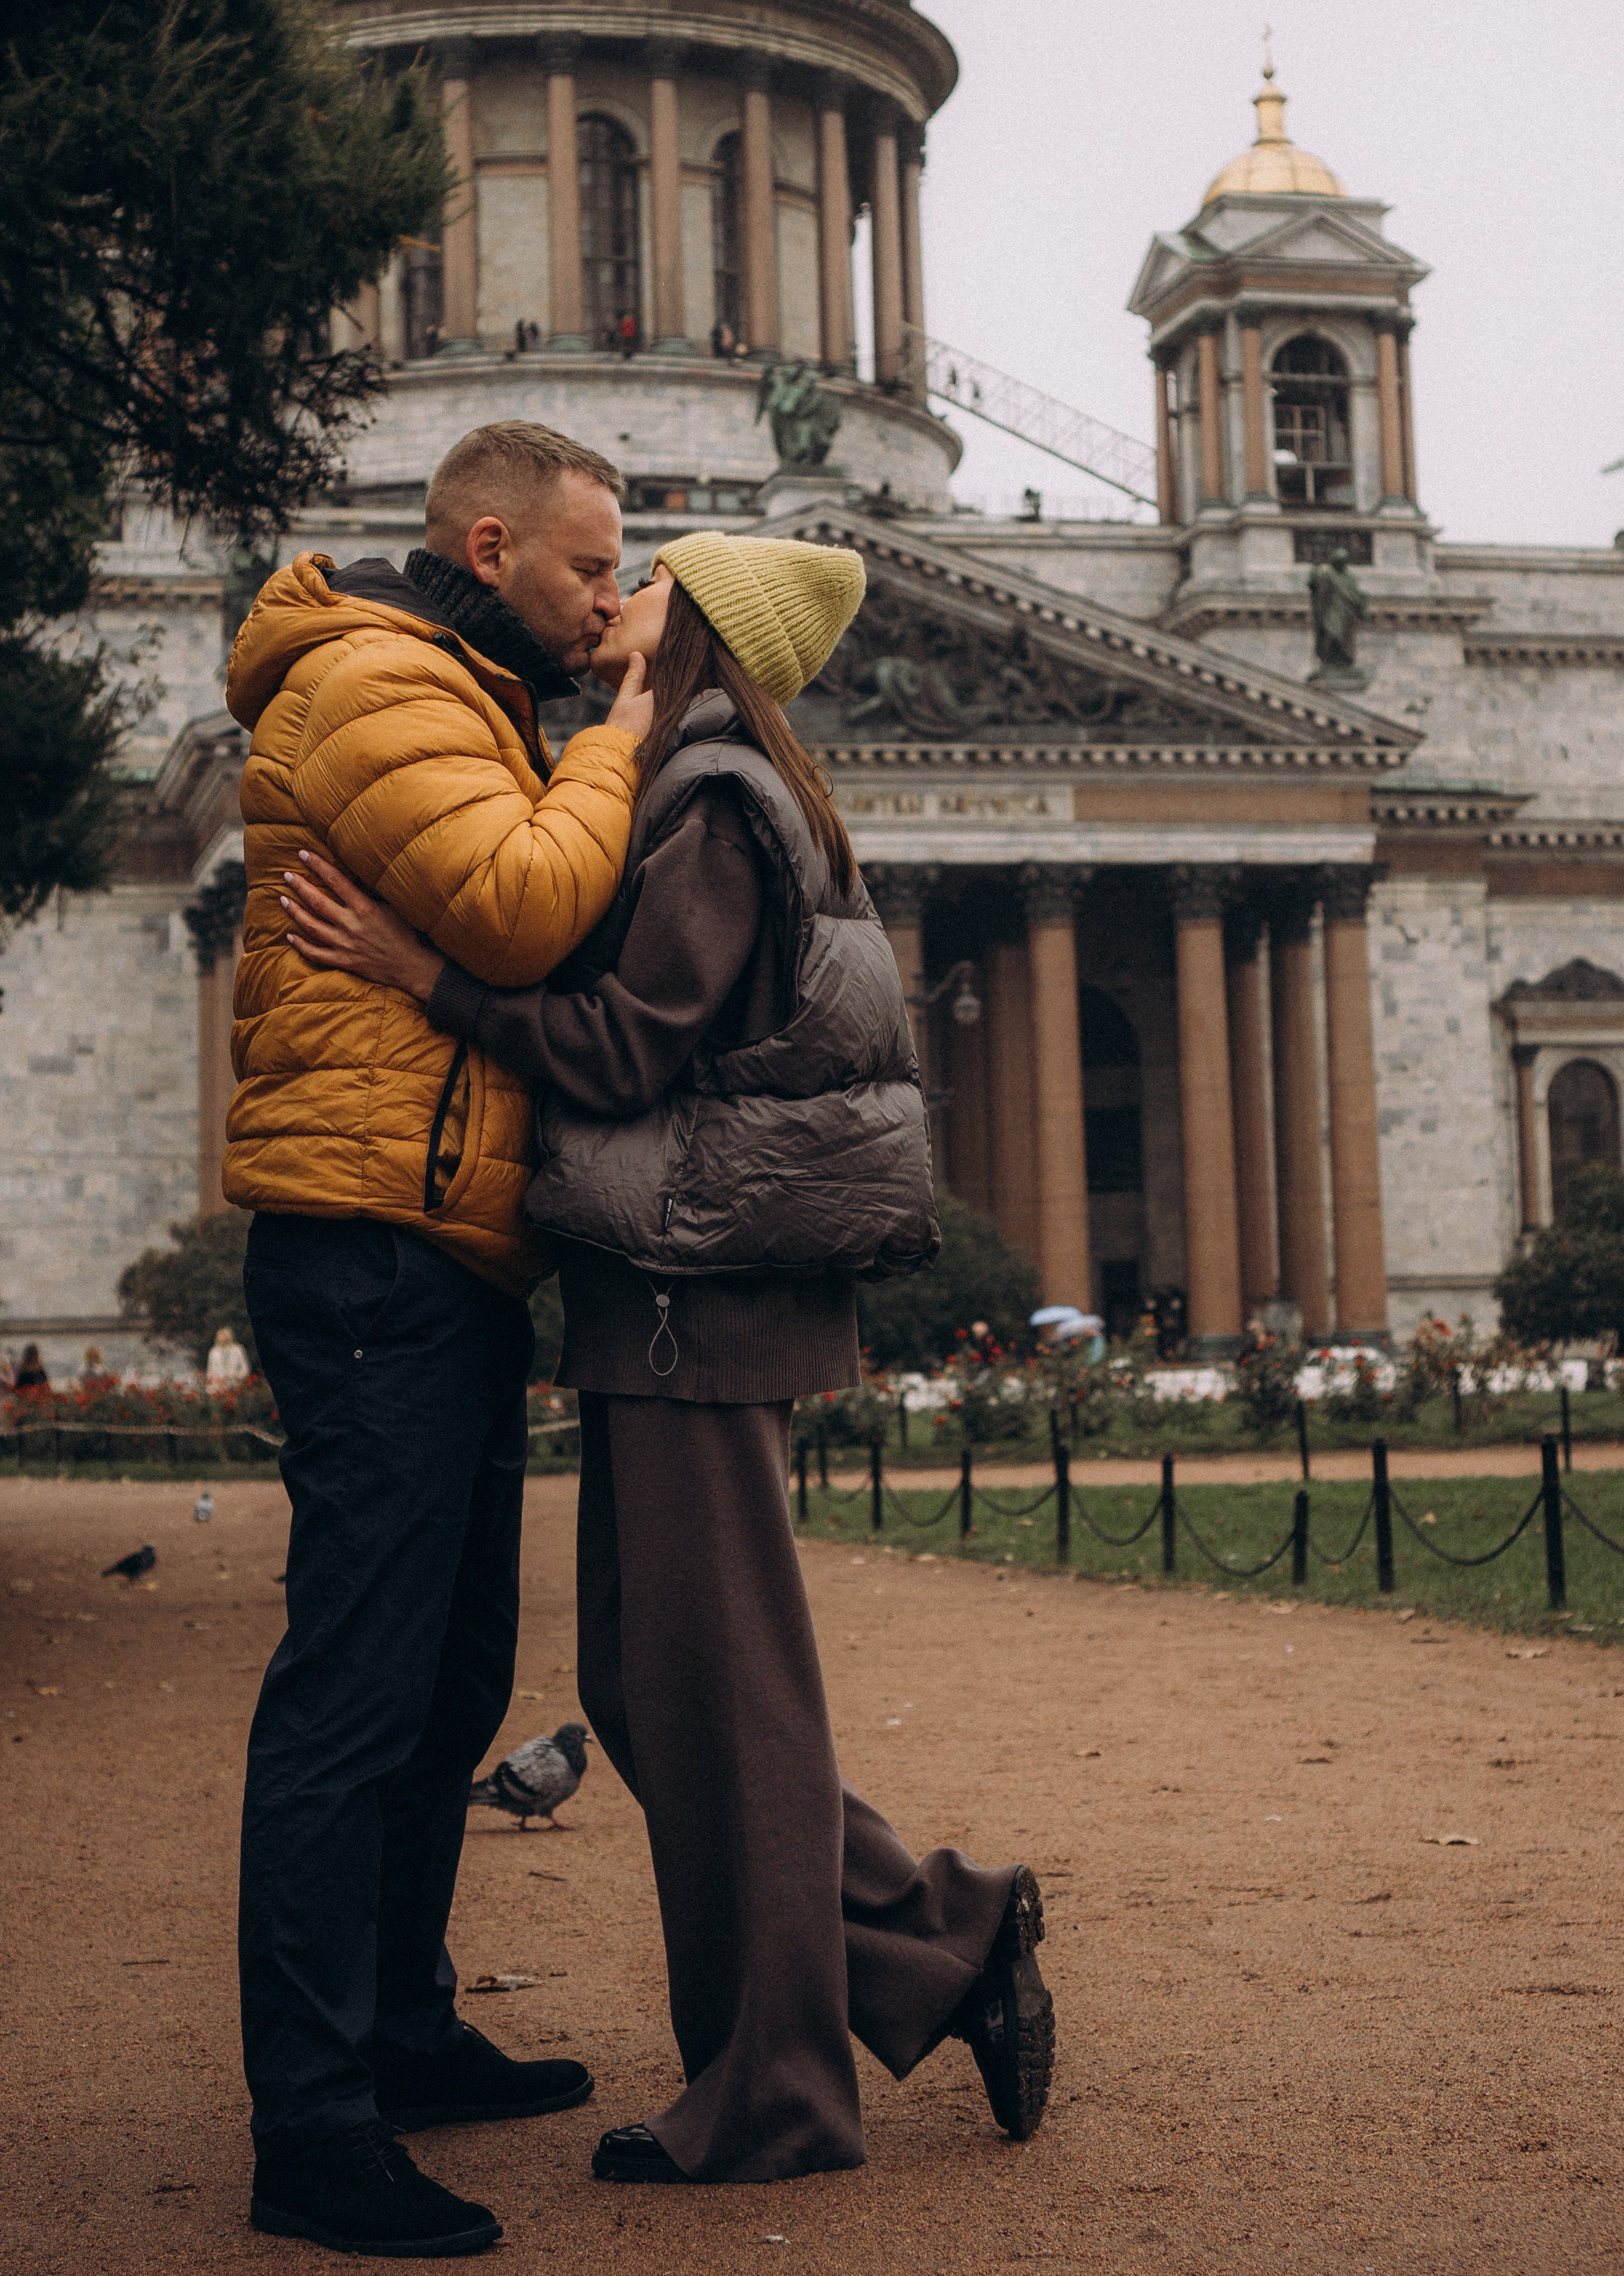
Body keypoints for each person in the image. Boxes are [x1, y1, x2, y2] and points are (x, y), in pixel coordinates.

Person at [280, 533, 1056, 2190]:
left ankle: (777, 2089)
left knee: (722, 1699)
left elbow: (630, 1046)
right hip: (670, 1293)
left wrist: (425, 973)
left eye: (641, 577)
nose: (610, 591)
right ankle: (941, 1945)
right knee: (652, 1686)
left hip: (686, 1294)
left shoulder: (703, 794)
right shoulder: (704, 774)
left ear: (692, 625)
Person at [225, 420, 655, 2259]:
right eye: (588, 570)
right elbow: (527, 905)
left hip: (444, 1248)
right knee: (353, 1694)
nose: (615, 601)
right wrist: (626, 740)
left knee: (448, 1679)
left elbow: (491, 937)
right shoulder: (382, 677)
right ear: (491, 543)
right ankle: (312, 2128)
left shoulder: (467, 690)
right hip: (375, 1254)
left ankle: (397, 2029)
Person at [205, 1326, 251, 1394]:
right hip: (218, 1388)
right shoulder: (213, 1352)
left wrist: (236, 1376)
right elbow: (210, 1371)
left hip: (235, 1386)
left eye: (222, 1336)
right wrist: (210, 1388)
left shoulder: (238, 1349)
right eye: (219, 1336)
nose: (220, 1338)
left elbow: (245, 1369)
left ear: (228, 1336)